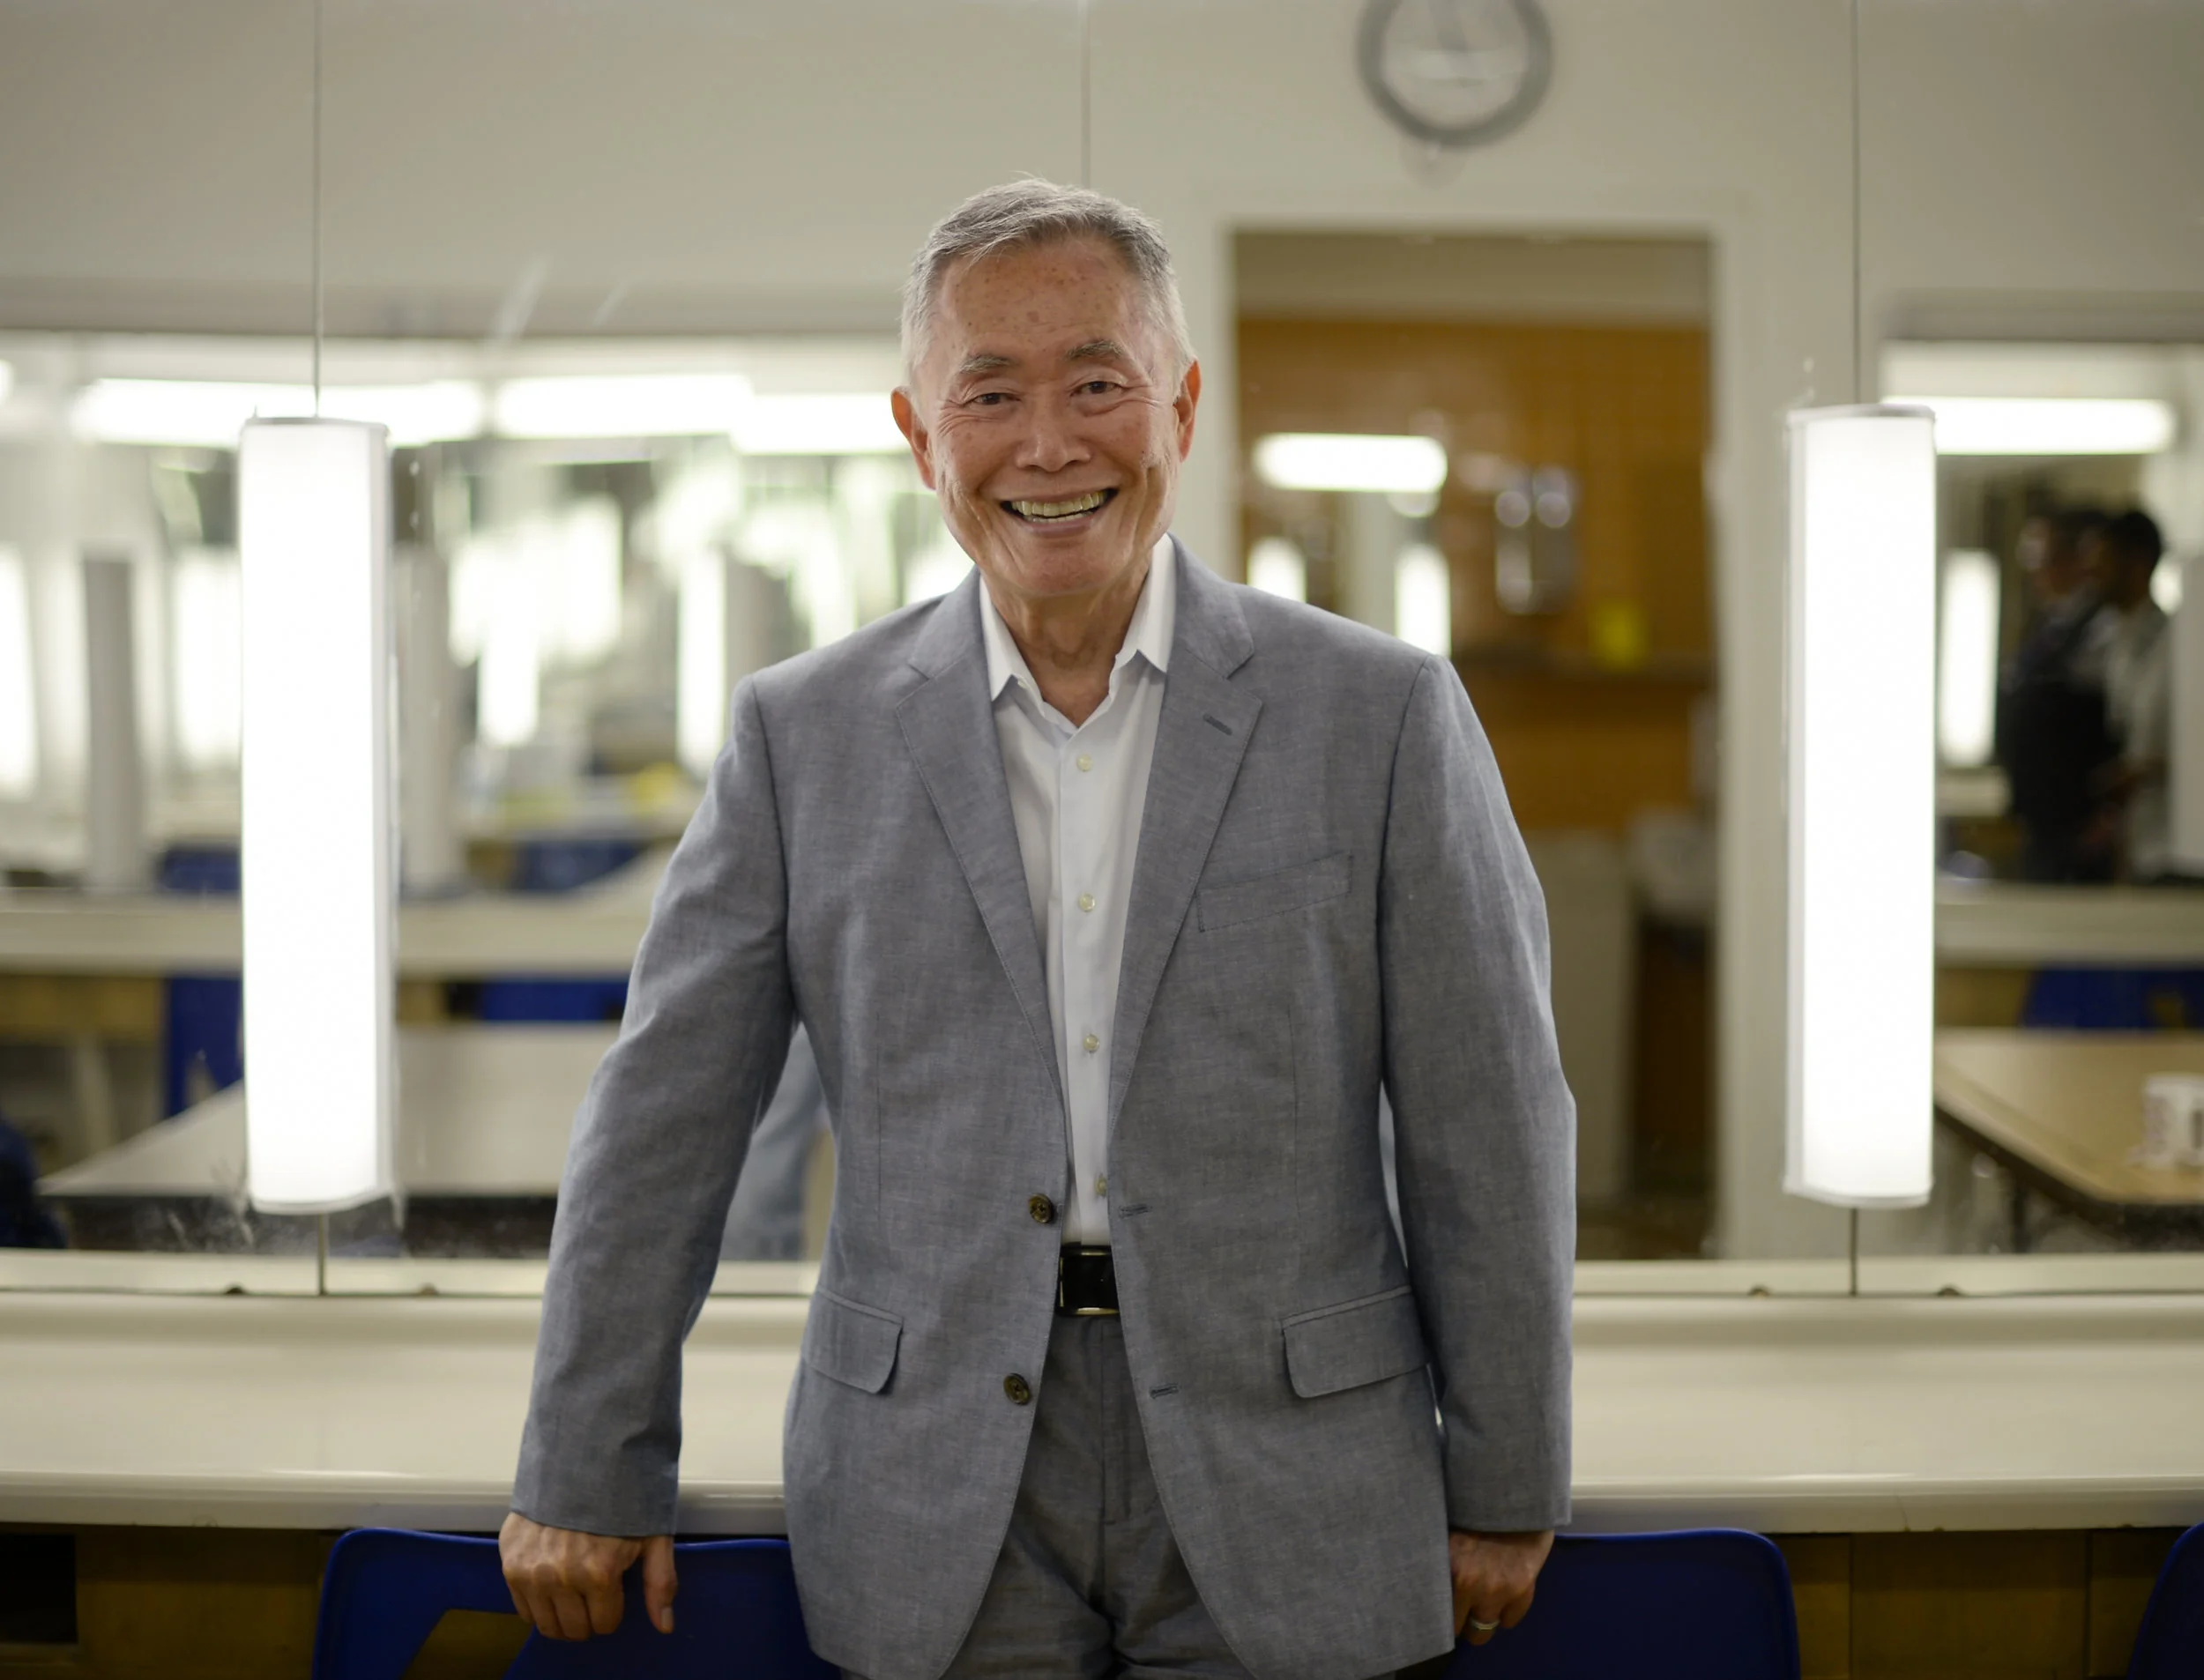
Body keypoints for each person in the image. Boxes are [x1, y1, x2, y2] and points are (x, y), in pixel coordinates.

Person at [501, 180, 1575, 1680]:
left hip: (1301, 1465)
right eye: (989, 394)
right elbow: (664, 1120)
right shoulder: (799, 739)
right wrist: (582, 1455)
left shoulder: (1381, 716)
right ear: (918, 434)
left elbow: (1491, 1119)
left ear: (1182, 406)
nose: (1051, 444)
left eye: (1098, 383)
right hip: (931, 1469)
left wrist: (1509, 1466)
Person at [1997, 507, 2116, 881]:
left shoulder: (2103, 627)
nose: (2035, 573)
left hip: (2080, 821)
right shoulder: (2050, 626)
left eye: (2042, 560)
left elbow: (2112, 728)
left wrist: (2107, 814)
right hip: (2040, 815)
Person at [2089, 509, 2172, 881]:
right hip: (2127, 843)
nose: (2095, 576)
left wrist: (2142, 772)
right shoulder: (2107, 640)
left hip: (2168, 843)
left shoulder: (2176, 646)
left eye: (2104, 563)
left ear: (2137, 564)